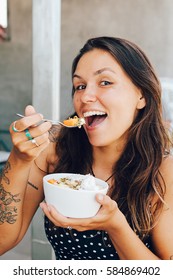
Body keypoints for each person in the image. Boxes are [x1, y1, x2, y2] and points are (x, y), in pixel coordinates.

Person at [0, 36, 173, 260]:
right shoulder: (55, 147)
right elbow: (3, 240)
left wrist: (116, 226)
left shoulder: (163, 169)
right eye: (79, 86)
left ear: (141, 95)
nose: (85, 96)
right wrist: (19, 159)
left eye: (105, 82)